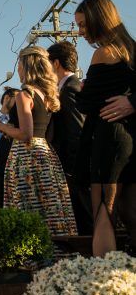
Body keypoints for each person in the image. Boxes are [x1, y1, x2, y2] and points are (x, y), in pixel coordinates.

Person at [0, 46, 77, 238]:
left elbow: (26, 134)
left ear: (27, 67)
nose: (18, 70)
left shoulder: (24, 95)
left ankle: (32, 249)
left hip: (26, 156)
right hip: (46, 154)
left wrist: (0, 126)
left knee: (28, 206)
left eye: (19, 65)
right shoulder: (48, 94)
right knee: (49, 206)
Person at [74, 0, 136, 255]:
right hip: (128, 139)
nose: (80, 32)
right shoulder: (130, 49)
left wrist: (83, 89)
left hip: (108, 138)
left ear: (98, 20)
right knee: (130, 211)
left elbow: (86, 102)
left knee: (104, 211)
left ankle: (104, 273)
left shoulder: (103, 53)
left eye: (83, 25)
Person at [47, 41, 93, 236]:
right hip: (72, 165)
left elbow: (77, 130)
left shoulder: (71, 88)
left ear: (56, 63)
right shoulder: (65, 88)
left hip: (74, 166)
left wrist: (71, 169)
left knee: (84, 215)